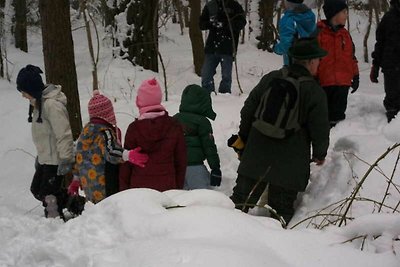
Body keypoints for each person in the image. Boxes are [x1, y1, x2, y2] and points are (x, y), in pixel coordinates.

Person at [229, 38, 330, 225]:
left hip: (256, 155)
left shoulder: (271, 78)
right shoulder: (314, 91)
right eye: (317, 60)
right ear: (309, 62)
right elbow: (320, 127)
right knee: (279, 216)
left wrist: (245, 138)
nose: (319, 63)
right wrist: (319, 153)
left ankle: (221, 241)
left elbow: (248, 109)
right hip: (290, 164)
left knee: (238, 205)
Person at [68, 90, 149, 204]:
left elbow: (78, 157)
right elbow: (111, 151)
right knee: (106, 212)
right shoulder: (105, 132)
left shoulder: (84, 133)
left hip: (89, 186)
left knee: (96, 212)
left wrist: (76, 179)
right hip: (104, 186)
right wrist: (127, 155)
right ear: (108, 112)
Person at [16, 64, 74, 219]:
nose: (23, 95)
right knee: (36, 190)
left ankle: (54, 220)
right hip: (45, 158)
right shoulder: (38, 104)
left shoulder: (52, 105)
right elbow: (43, 135)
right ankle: (76, 204)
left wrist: (66, 158)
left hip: (56, 159)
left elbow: (64, 133)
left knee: (47, 194)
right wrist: (40, 156)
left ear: (32, 88)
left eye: (23, 91)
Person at [119, 78, 187, 192]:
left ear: (139, 102)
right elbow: (181, 161)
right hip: (167, 188)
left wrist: (124, 192)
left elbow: (126, 165)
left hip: (139, 190)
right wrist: (177, 188)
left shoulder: (134, 129)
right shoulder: (174, 126)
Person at [316, 0, 359, 127]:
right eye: (344, 12)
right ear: (334, 15)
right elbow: (313, 58)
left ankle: (336, 138)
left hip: (343, 84)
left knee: (338, 117)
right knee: (323, 116)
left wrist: (355, 76)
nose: (346, 15)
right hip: (324, 83)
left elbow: (351, 57)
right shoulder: (319, 33)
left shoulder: (345, 35)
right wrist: (313, 77)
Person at [173, 84, 222, 190]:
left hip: (177, 168)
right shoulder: (202, 122)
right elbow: (209, 147)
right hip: (195, 168)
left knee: (180, 198)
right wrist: (215, 168)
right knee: (203, 197)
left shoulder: (174, 119)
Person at [199, 0, 246, 94]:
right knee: (206, 74)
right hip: (212, 47)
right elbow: (201, 24)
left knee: (226, 76)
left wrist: (227, 24)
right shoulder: (211, 5)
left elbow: (241, 22)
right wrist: (212, 24)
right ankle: (207, 94)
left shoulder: (234, 6)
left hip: (228, 47)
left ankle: (225, 96)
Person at [370, 0, 400, 122]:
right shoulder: (388, 19)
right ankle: (392, 130)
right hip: (391, 66)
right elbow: (380, 43)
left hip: (391, 65)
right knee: (393, 101)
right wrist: (375, 65)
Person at [272, 0, 317, 66]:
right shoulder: (310, 16)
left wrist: (276, 49)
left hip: (294, 62)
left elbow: (286, 45)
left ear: (288, 3)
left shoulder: (288, 20)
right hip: (311, 61)